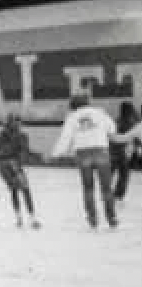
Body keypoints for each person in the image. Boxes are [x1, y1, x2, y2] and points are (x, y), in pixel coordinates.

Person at [50, 94, 117, 229]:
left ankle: (92, 218)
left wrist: (55, 154)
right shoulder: (99, 112)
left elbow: (65, 138)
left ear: (73, 105)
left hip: (83, 154)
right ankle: (112, 218)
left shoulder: (72, 117)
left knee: (88, 188)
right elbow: (112, 128)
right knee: (106, 188)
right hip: (101, 150)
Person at [0, 113, 42, 228]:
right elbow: (26, 150)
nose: (19, 124)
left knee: (14, 191)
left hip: (2, 165)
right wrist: (37, 156)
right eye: (17, 122)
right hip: (13, 164)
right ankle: (32, 219)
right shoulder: (21, 135)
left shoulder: (0, 135)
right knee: (26, 190)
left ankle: (19, 219)